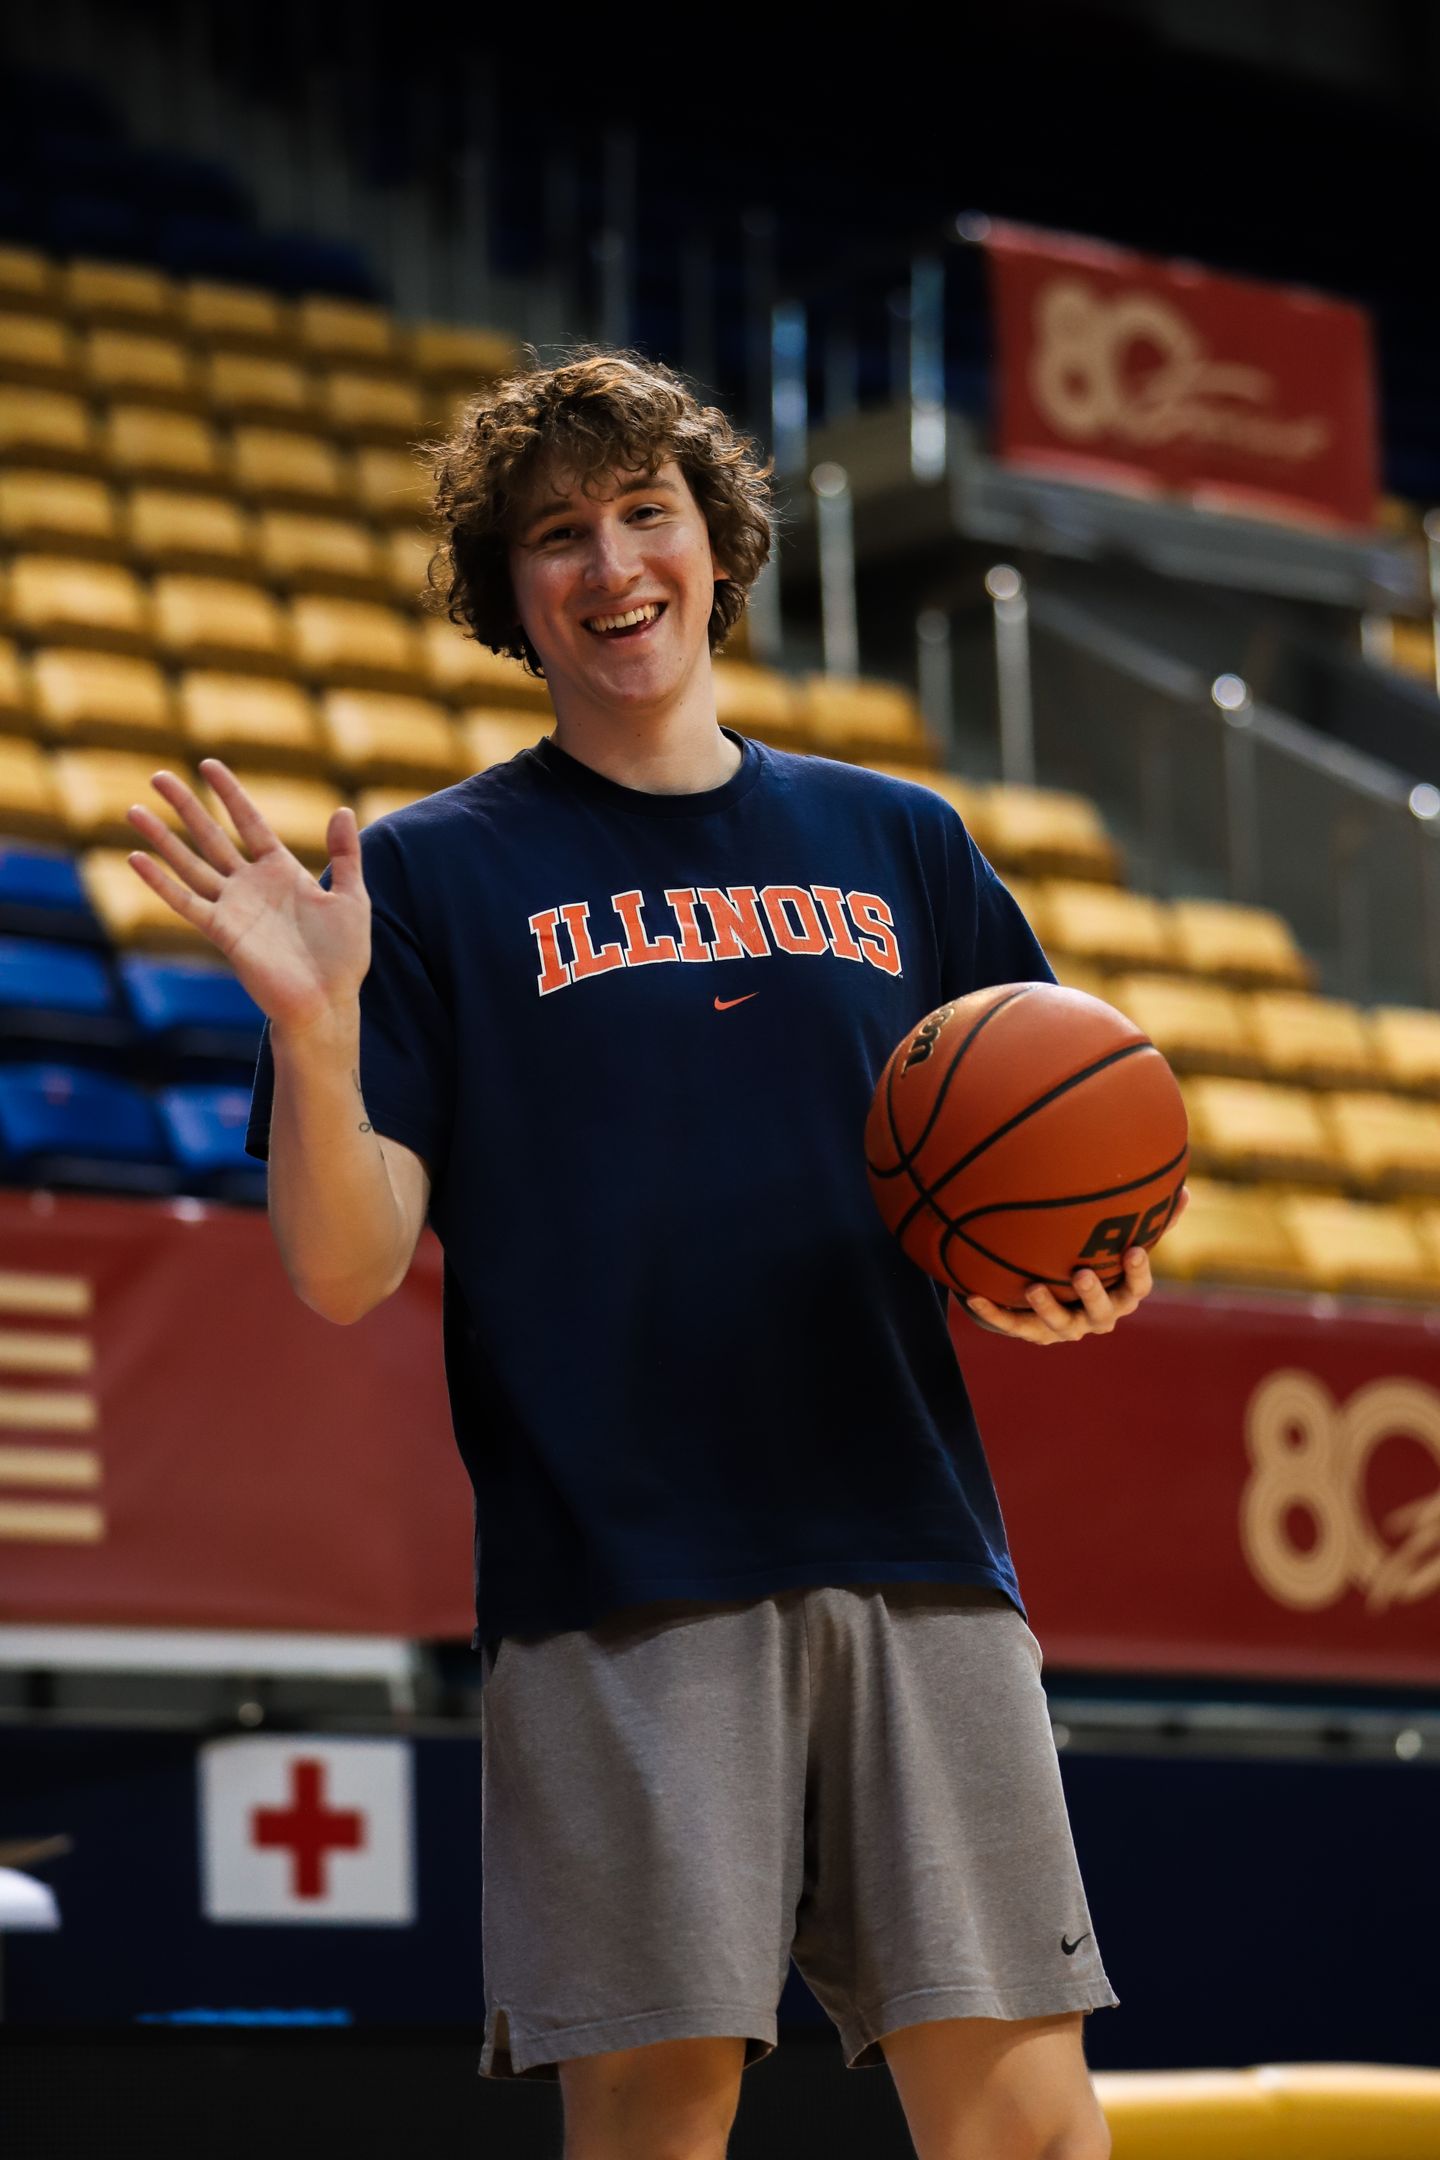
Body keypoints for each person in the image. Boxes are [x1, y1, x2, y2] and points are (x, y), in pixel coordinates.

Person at [126, 349, 1186, 2160]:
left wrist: (1068, 1272)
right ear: (508, 590)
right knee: (654, 2125)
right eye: (558, 535)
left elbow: (1028, 1169)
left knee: (1028, 2123)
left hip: (917, 1549)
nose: (612, 565)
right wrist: (314, 1031)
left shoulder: (902, 841)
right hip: (620, 1577)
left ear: (719, 543)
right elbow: (343, 1266)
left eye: (646, 513)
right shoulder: (434, 878)